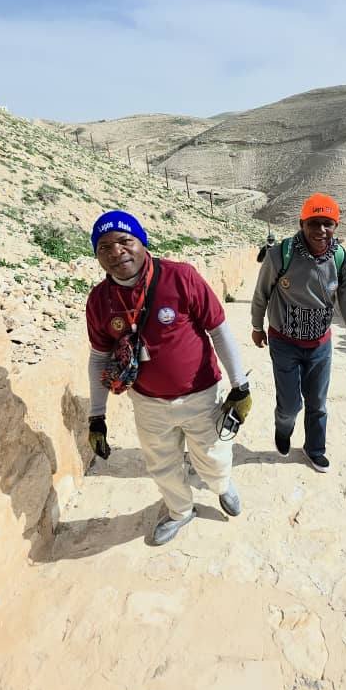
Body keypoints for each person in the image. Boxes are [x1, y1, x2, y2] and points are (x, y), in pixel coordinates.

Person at [85, 210, 252, 545]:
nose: (116, 252)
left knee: (214, 454)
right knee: (161, 463)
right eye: (104, 247)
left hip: (200, 394)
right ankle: (180, 511)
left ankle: (221, 486)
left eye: (124, 241)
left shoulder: (180, 277)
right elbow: (99, 358)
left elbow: (219, 330)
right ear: (98, 257)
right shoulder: (100, 301)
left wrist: (240, 385)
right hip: (147, 402)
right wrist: (97, 417)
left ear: (142, 242)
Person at [251, 193, 346, 472]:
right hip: (283, 342)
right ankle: (283, 428)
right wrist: (257, 326)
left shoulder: (342, 261)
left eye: (327, 223)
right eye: (314, 223)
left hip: (320, 346)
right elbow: (261, 294)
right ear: (301, 223)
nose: (321, 231)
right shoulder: (281, 254)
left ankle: (314, 449)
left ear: (336, 226)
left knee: (318, 403)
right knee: (291, 405)